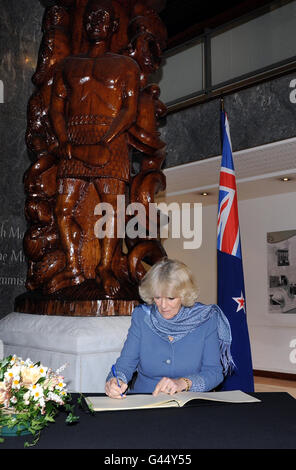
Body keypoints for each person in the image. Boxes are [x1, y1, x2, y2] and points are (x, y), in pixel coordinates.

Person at [105, 258, 234, 398]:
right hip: (145, 401)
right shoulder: (142, 317)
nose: (163, 306)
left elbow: (214, 372)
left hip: (189, 403)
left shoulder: (206, 320)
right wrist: (115, 381)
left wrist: (183, 383)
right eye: (158, 297)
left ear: (184, 295)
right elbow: (125, 365)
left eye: (171, 298)